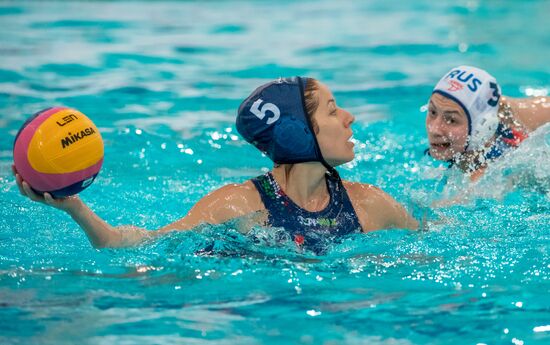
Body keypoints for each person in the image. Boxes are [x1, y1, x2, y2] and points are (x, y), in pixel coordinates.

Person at [13, 77, 418, 252]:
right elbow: (129, 246)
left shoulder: (372, 206)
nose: (350, 118)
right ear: (296, 132)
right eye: (333, 111)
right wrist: (76, 210)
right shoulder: (237, 206)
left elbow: (434, 245)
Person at [426, 66, 550, 181]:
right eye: (432, 112)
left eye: (452, 120)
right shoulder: (502, 112)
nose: (434, 129)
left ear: (482, 127)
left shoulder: (488, 176)